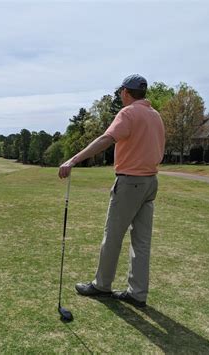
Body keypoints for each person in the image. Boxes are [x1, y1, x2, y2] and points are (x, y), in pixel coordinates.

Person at [58, 74, 165, 307]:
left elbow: (107, 138)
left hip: (130, 183)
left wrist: (73, 160)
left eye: (121, 91)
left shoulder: (128, 113)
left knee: (113, 236)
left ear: (126, 92)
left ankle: (101, 285)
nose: (120, 95)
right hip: (150, 182)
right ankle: (137, 293)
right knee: (142, 241)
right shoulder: (155, 115)